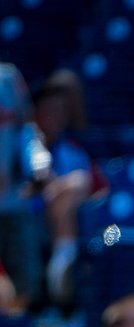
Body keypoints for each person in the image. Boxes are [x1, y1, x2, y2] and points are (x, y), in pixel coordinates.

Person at [31, 71, 105, 306]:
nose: (54, 118)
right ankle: (62, 261)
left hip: (66, 220)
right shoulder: (22, 145)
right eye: (48, 111)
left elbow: (101, 192)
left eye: (60, 112)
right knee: (75, 183)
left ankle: (63, 263)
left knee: (78, 182)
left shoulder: (74, 152)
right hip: (29, 216)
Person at [0, 62, 50, 309]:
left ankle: (20, 325)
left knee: (24, 278)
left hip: (12, 199)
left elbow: (28, 128)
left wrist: (38, 163)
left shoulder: (6, 78)